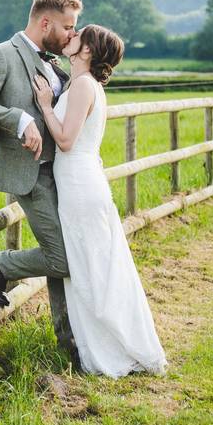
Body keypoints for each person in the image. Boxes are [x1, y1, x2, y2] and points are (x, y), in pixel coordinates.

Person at [32, 24, 167, 377]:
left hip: (79, 183)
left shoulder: (81, 86)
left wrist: (46, 106)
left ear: (87, 50)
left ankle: (113, 349)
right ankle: (111, 343)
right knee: (94, 265)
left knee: (89, 267)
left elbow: (64, 140)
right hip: (82, 180)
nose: (70, 37)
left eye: (78, 36)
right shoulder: (86, 85)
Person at [0, 0, 83, 367]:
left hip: (62, 175)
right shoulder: (2, 54)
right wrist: (19, 118)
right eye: (67, 27)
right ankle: (0, 265)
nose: (70, 35)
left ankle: (71, 345)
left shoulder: (53, 63)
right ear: (45, 22)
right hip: (31, 173)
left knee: (65, 253)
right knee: (62, 258)